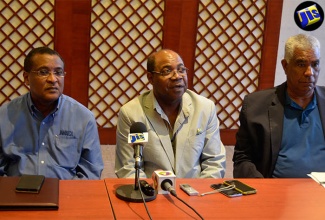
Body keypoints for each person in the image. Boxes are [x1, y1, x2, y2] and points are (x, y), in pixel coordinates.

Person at [115, 49, 226, 178]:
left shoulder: (205, 108)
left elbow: (214, 162)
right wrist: (148, 194)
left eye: (181, 70)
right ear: (151, 78)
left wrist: (198, 194)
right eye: (167, 71)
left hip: (195, 191)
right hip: (152, 193)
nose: (177, 76)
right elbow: (128, 168)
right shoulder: (131, 113)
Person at [0, 47, 104, 179]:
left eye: (58, 72)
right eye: (43, 72)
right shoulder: (4, 116)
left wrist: (69, 197)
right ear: (26, 78)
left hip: (65, 195)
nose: (53, 79)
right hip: (17, 194)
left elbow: (91, 172)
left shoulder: (83, 117)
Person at [233, 34, 325, 178]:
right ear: (285, 66)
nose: (309, 73)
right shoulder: (256, 105)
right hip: (276, 192)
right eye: (301, 64)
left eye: (315, 64)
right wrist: (265, 189)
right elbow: (242, 159)